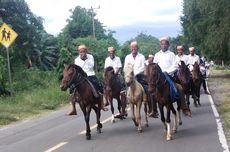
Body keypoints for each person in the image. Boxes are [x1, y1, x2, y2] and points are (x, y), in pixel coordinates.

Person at [153, 37, 191, 115]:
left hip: (169, 75)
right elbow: (154, 66)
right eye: (162, 44)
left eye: (165, 44)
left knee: (180, 88)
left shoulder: (171, 54)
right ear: (160, 45)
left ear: (168, 45)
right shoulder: (157, 55)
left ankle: (184, 107)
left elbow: (175, 66)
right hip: (159, 77)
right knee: (152, 90)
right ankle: (153, 110)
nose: (164, 46)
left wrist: (167, 72)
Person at [68, 44, 108, 115]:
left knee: (99, 86)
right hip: (81, 77)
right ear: (79, 52)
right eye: (80, 52)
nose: (82, 53)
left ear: (86, 51)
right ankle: (73, 108)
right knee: (72, 88)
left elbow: (91, 66)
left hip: (90, 74)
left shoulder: (90, 57)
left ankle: (102, 104)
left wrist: (85, 59)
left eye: (83, 52)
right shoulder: (76, 60)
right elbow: (77, 70)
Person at [124, 41, 158, 118]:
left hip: (139, 76)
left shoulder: (141, 56)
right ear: (130, 48)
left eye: (135, 47)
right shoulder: (127, 57)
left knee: (148, 90)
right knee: (124, 90)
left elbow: (142, 67)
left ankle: (152, 109)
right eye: (132, 47)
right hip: (130, 77)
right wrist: (129, 74)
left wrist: (135, 73)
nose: (134, 49)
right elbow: (125, 67)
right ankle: (125, 105)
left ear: (137, 48)